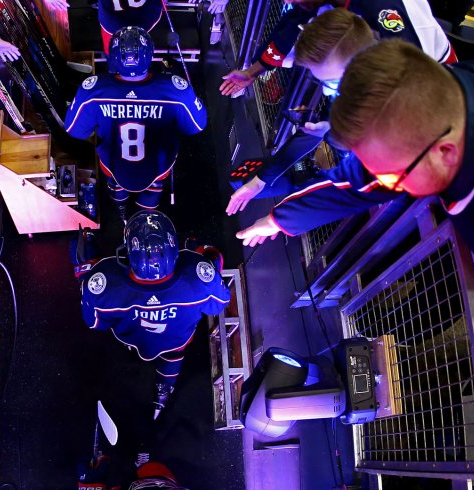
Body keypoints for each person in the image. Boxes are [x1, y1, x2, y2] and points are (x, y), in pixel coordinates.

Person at [236, 40, 474, 408]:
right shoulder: (456, 95)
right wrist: (279, 218)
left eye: (396, 179)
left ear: (444, 153)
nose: (391, 189)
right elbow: (360, 180)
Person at [80, 210, 230, 418]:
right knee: (174, 355)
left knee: (133, 347)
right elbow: (220, 303)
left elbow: (94, 323)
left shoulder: (104, 278)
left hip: (131, 337)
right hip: (176, 338)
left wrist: (83, 269)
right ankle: (163, 391)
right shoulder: (197, 271)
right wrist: (207, 256)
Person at [226, 8, 375, 215]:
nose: (325, 89)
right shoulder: (353, 41)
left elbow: (365, 185)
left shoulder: (386, 102)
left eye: (331, 81)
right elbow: (315, 134)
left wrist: (281, 221)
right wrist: (260, 182)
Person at [65, 27, 206, 220]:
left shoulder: (93, 90)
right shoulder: (175, 89)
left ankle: (123, 216)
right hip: (159, 165)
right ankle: (144, 220)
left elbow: (76, 130)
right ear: (149, 55)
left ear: (113, 57)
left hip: (113, 164)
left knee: (117, 189)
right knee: (152, 194)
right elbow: (196, 126)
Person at [219, 0, 455, 97]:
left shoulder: (383, 10)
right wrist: (253, 72)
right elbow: (289, 31)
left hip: (435, 76)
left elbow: (416, 79)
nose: (289, 1)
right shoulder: (313, 4)